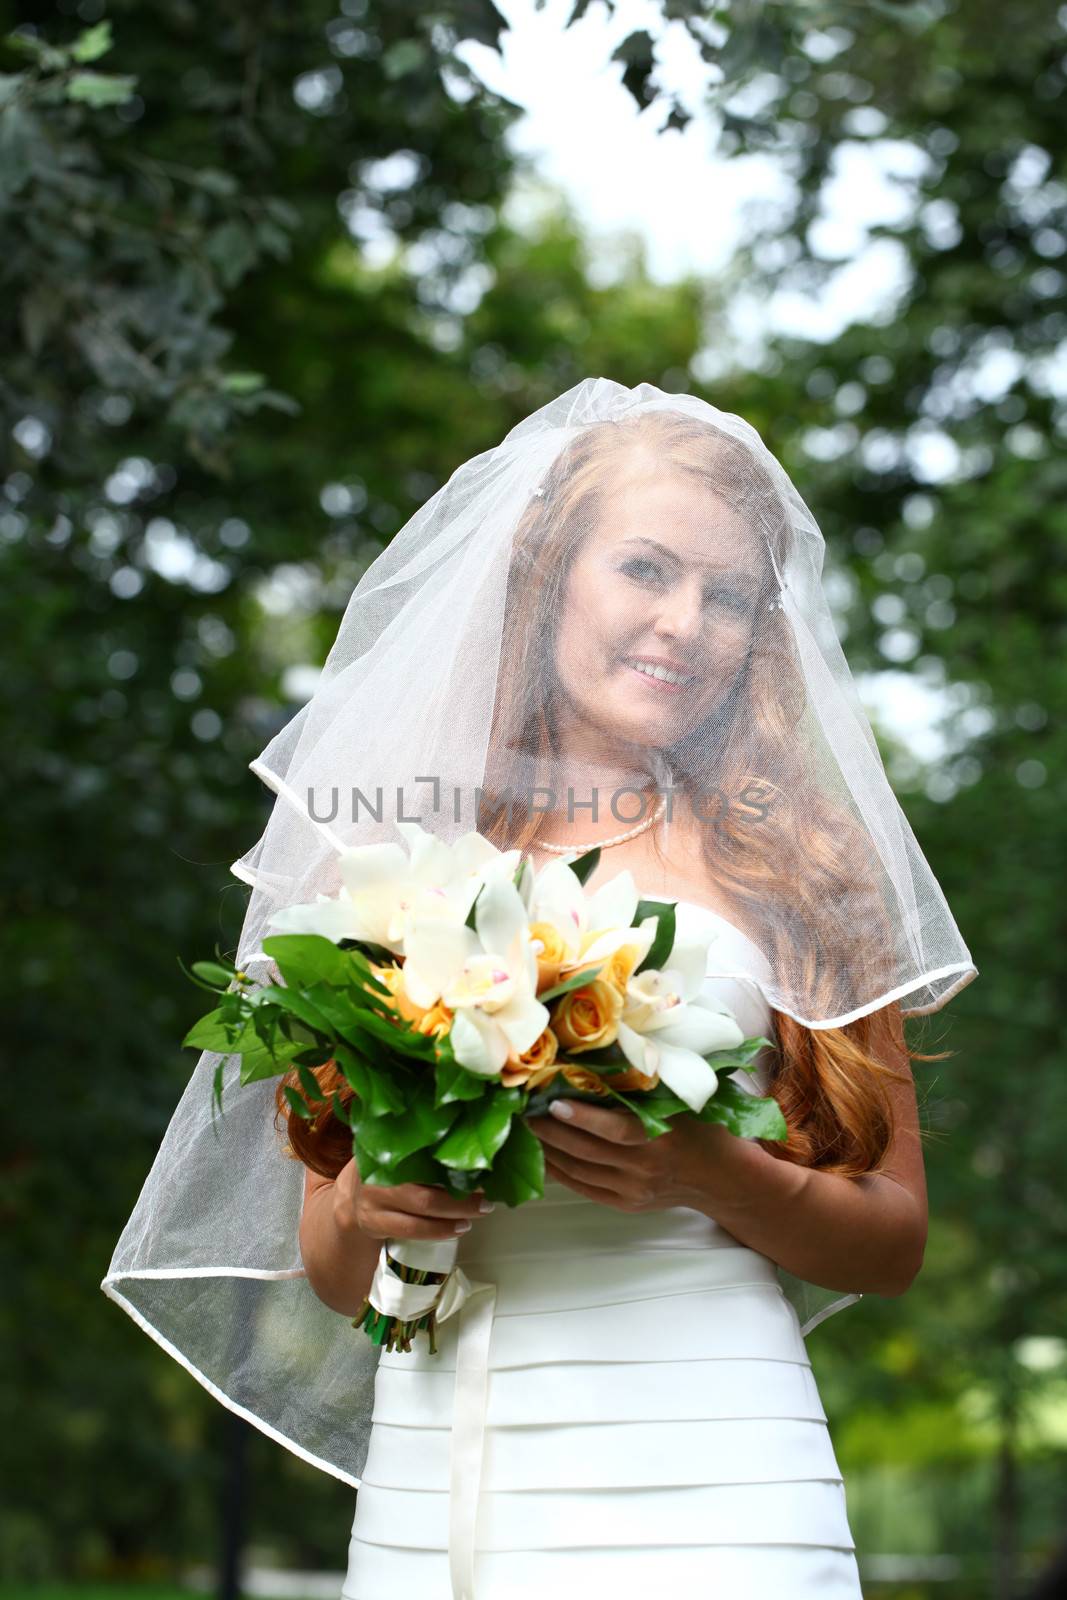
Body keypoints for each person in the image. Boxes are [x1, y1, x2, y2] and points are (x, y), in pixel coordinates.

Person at [101, 379, 977, 1600]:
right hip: (444, 1463)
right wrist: (368, 1205)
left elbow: (890, 1241)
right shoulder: (396, 869)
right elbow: (340, 1268)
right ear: (548, 572)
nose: (684, 622)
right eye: (644, 569)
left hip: (717, 1465)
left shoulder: (797, 862)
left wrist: (711, 1172)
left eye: (727, 596)